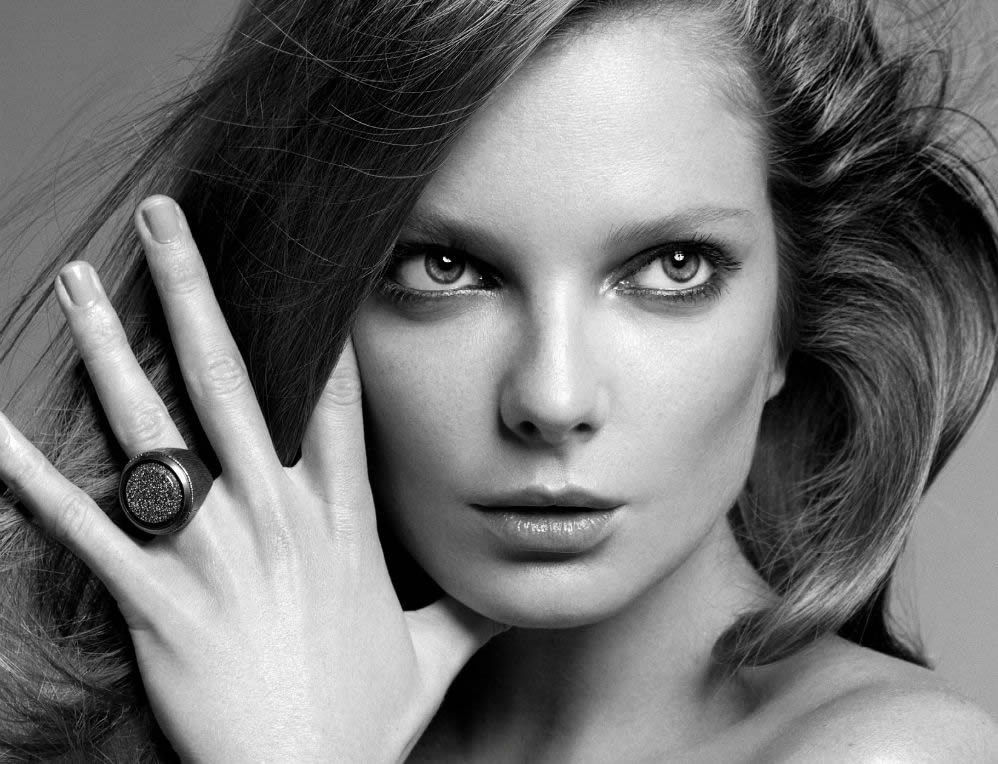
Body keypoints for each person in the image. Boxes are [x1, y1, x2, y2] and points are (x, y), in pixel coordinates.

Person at [1, 0, 997, 759]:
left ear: (787, 323)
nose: (551, 399)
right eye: (443, 269)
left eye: (671, 268)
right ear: (315, 308)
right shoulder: (229, 700)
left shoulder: (884, 751)